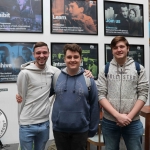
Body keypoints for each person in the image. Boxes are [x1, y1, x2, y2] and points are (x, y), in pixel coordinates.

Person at [16, 42, 93, 150]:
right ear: (33, 54)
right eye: (38, 53)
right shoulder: (25, 73)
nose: (41, 55)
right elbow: (25, 96)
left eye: (44, 52)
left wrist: (86, 72)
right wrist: (19, 97)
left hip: (45, 124)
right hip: (30, 124)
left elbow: (94, 103)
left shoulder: (54, 72)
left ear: (49, 53)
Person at [97, 36, 149, 150]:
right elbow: (101, 95)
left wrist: (128, 117)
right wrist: (118, 116)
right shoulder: (105, 69)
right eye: (115, 47)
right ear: (112, 50)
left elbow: (143, 94)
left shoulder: (139, 69)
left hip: (133, 122)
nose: (119, 50)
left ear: (128, 48)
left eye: (122, 46)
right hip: (110, 122)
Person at [51, 43, 99, 150]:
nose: (72, 60)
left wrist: (92, 129)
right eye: (69, 57)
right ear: (64, 59)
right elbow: (43, 94)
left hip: (81, 130)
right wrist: (22, 95)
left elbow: (94, 104)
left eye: (76, 57)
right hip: (59, 129)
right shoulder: (56, 77)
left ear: (80, 59)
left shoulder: (88, 79)